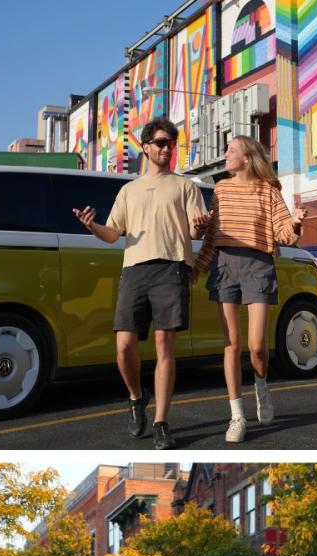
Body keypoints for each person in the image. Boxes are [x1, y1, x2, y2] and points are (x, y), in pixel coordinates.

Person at [73, 117, 207, 450]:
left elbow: (194, 232)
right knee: (123, 347)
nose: (167, 149)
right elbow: (112, 234)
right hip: (134, 270)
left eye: (171, 144)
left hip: (171, 269)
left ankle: (161, 423)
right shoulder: (128, 190)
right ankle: (137, 396)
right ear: (145, 147)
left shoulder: (186, 186)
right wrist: (91, 227)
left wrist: (201, 228)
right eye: (161, 143)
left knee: (165, 348)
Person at [191, 135, 307, 443]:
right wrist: (199, 267)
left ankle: (261, 384)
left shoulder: (269, 192)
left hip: (258, 264)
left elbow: (283, 234)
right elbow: (213, 234)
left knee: (256, 346)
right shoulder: (221, 189)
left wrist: (295, 223)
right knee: (231, 343)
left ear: (247, 157)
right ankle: (237, 416)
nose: (225, 153)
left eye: (231, 149)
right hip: (225, 264)